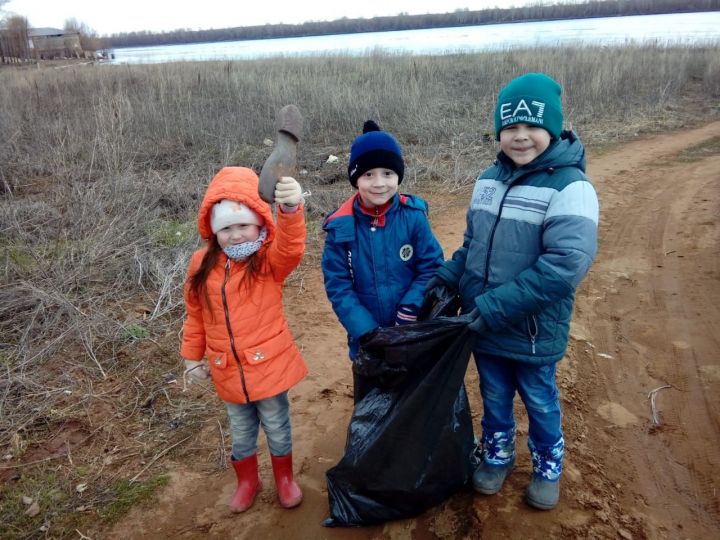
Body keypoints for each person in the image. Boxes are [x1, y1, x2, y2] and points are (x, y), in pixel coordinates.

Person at [425, 73, 599, 510]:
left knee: (539, 399)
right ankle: (499, 456)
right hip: (484, 324)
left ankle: (547, 467)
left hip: (532, 328)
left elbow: (564, 267)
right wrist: (446, 278)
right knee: (495, 394)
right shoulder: (487, 180)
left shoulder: (571, 188)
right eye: (510, 128)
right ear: (499, 131)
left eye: (532, 127)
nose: (520, 137)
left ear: (554, 128)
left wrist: (495, 306)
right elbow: (472, 246)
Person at [180, 166, 307, 513]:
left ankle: (285, 479)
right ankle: (248, 481)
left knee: (277, 426)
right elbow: (195, 315)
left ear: (260, 224)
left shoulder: (268, 260)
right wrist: (192, 358)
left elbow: (291, 248)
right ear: (212, 230)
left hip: (268, 367)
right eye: (226, 228)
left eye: (243, 225)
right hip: (227, 369)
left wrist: (291, 210)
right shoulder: (200, 265)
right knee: (240, 431)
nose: (235, 235)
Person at [321, 120, 444, 401]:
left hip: (411, 329)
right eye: (368, 175)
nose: (379, 183)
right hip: (366, 338)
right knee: (372, 397)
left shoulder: (413, 217)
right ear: (355, 179)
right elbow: (338, 285)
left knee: (412, 392)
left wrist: (411, 307)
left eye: (388, 173)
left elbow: (432, 266)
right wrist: (364, 329)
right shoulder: (340, 227)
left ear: (398, 175)